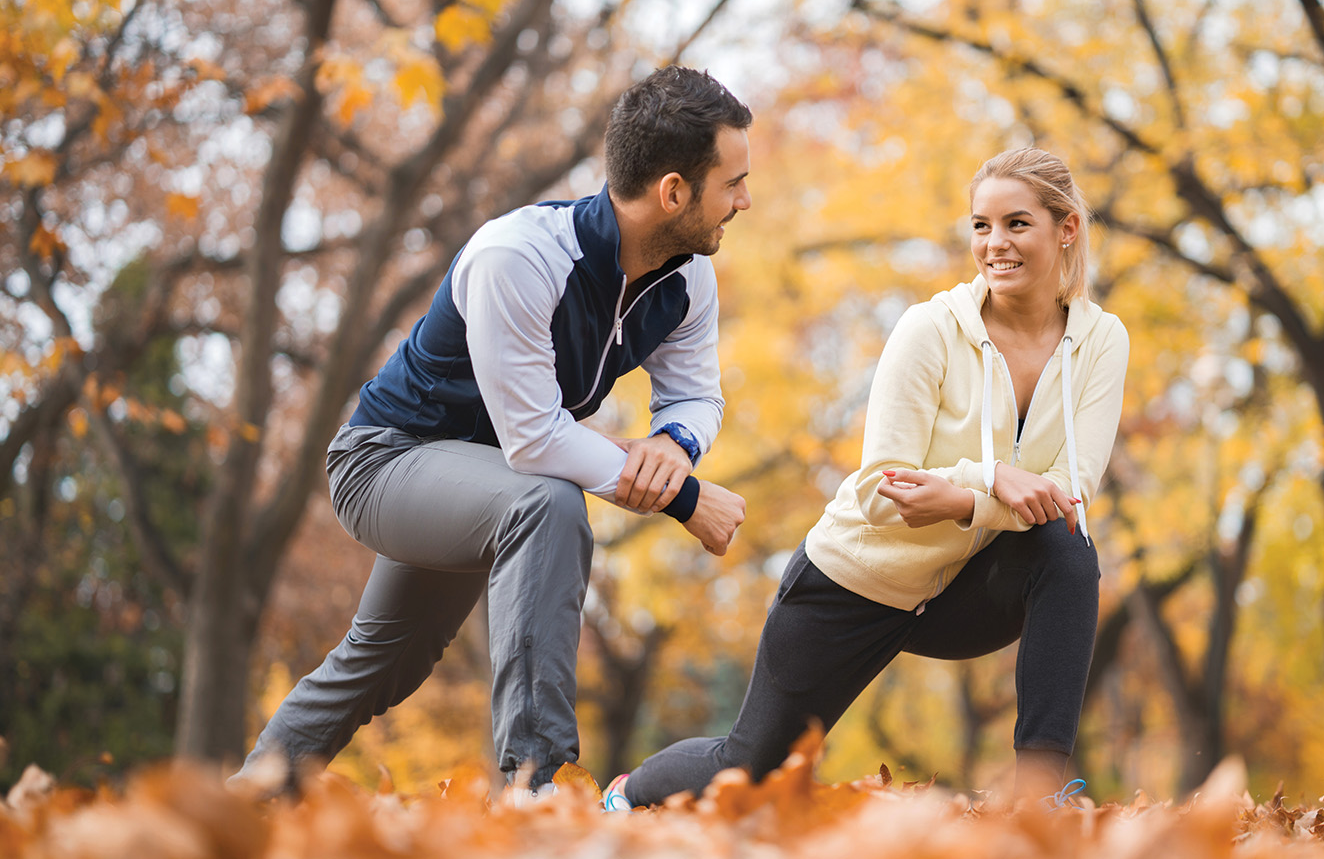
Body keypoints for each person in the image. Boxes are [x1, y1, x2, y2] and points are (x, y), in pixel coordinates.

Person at [231, 66, 752, 797]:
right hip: (386, 463)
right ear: (674, 192)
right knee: (548, 504)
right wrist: (682, 499)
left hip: (486, 479)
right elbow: (534, 443)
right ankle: (536, 788)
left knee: (386, 660)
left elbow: (696, 393)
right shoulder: (520, 257)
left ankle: (242, 803)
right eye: (733, 183)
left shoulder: (688, 276)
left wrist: (674, 446)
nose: (744, 201)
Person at [603, 147, 1129, 811]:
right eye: (981, 226)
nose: (995, 244)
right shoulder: (930, 331)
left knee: (1067, 549)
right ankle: (629, 790)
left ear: (1066, 229)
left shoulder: (1101, 341)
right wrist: (989, 479)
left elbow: (1071, 491)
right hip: (857, 581)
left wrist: (963, 502)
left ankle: (1037, 798)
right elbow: (886, 490)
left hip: (970, 591)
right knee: (749, 766)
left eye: (1017, 224)